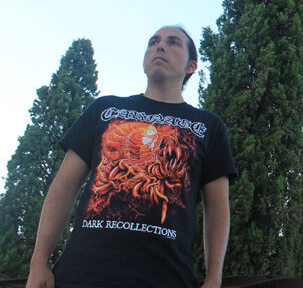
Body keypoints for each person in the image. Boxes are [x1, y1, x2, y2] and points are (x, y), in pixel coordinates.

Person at [26, 26, 237, 288]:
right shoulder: (104, 108)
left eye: (173, 42)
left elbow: (217, 207)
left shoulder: (208, 125)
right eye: (153, 41)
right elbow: (64, 186)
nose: (160, 46)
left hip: (167, 278)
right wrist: (39, 262)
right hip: (79, 276)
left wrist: (214, 278)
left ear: (191, 66)